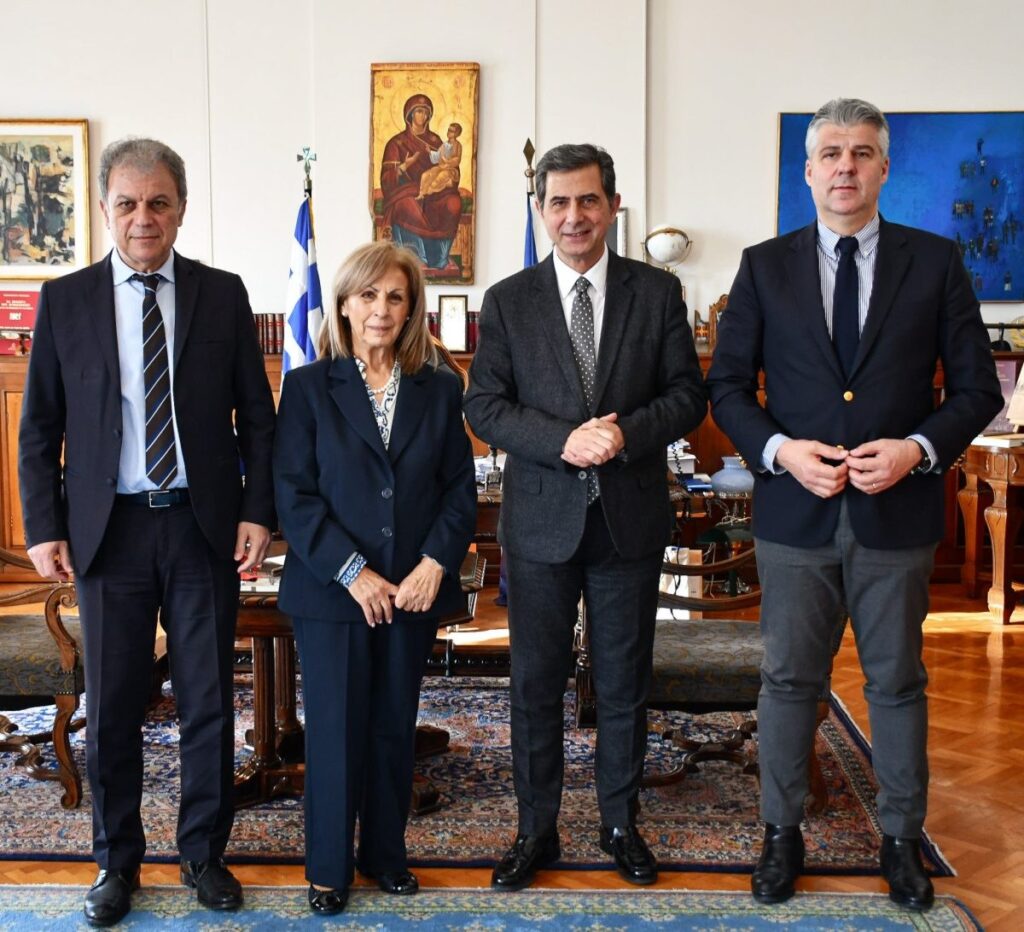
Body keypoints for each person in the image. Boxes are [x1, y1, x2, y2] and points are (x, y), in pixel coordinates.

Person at [706, 98, 1002, 911]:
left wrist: (918, 448)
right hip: (794, 513)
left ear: (884, 168)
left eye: (862, 152)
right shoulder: (764, 266)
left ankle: (901, 840)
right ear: (808, 171)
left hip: (896, 514)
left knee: (897, 682)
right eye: (831, 153)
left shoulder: (935, 262)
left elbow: (977, 389)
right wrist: (779, 450)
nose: (846, 166)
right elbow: (726, 387)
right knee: (787, 680)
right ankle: (781, 835)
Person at [18, 137, 276, 927]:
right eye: (127, 203)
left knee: (207, 702)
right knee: (113, 707)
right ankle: (116, 862)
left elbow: (257, 420)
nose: (143, 218)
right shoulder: (66, 300)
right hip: (109, 533)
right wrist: (43, 525)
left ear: (182, 209)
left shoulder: (222, 295)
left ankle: (203, 855)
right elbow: (39, 429)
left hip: (202, 527)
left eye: (158, 202)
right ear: (105, 209)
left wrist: (257, 510)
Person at [464, 143, 706, 890]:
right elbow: (485, 405)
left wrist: (624, 434)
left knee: (623, 682)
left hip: (627, 520)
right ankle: (535, 829)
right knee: (535, 684)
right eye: (559, 202)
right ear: (540, 209)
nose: (574, 216)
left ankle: (619, 824)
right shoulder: (508, 299)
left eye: (588, 200)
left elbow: (687, 396)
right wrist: (564, 440)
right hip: (540, 524)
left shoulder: (656, 292)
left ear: (613, 206)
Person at [273, 241, 476, 915]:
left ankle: (385, 854)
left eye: (395, 296)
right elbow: (294, 495)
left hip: (413, 588)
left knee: (394, 727)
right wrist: (353, 572)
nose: (381, 309)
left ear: (412, 307)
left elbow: (458, 490)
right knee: (334, 732)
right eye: (368, 295)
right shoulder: (308, 387)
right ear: (343, 305)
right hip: (334, 593)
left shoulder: (439, 388)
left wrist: (434, 564)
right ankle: (328, 869)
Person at [379, 94, 463, 270]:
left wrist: (451, 176)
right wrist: (404, 166)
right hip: (405, 192)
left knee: (454, 202)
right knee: (408, 206)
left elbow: (446, 164)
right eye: (418, 111)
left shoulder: (435, 140)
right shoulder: (396, 143)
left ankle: (440, 259)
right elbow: (387, 179)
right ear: (409, 114)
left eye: (426, 112)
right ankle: (416, 259)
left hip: (433, 190)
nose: (423, 116)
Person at [417, 123, 463, 200]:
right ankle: (421, 193)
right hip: (441, 167)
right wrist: (429, 151)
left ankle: (427, 193)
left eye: (451, 131)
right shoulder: (444, 145)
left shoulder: (458, 145)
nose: (448, 132)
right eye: (448, 130)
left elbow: (457, 159)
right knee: (426, 175)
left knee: (439, 177)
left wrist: (447, 161)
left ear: (456, 134)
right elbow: (438, 156)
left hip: (450, 170)